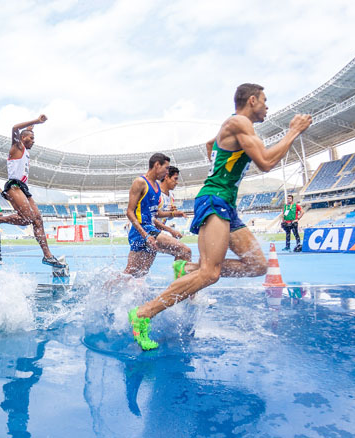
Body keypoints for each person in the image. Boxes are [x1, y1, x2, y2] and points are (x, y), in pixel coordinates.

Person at [129, 83, 312, 350]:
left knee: (257, 266)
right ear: (251, 100)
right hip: (215, 200)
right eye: (264, 101)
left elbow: (210, 144)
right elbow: (265, 162)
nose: (267, 106)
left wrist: (221, 165)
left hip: (225, 203)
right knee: (210, 274)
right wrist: (293, 131)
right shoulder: (239, 122)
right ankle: (143, 314)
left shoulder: (235, 128)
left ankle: (187, 268)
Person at [0, 115, 66, 268]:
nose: (34, 141)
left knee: (38, 219)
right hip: (14, 186)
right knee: (27, 219)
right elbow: (15, 128)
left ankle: (48, 256)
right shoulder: (17, 147)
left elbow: (26, 130)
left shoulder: (25, 149)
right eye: (31, 138)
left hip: (24, 188)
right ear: (23, 138)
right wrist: (35, 121)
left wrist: (33, 127)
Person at [122, 154, 191, 278]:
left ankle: (106, 289)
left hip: (149, 230)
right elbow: (129, 211)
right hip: (143, 230)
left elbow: (156, 214)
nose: (166, 172)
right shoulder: (140, 182)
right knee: (185, 251)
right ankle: (182, 290)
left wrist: (174, 214)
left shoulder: (156, 187)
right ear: (157, 165)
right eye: (166, 168)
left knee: (136, 273)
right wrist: (146, 235)